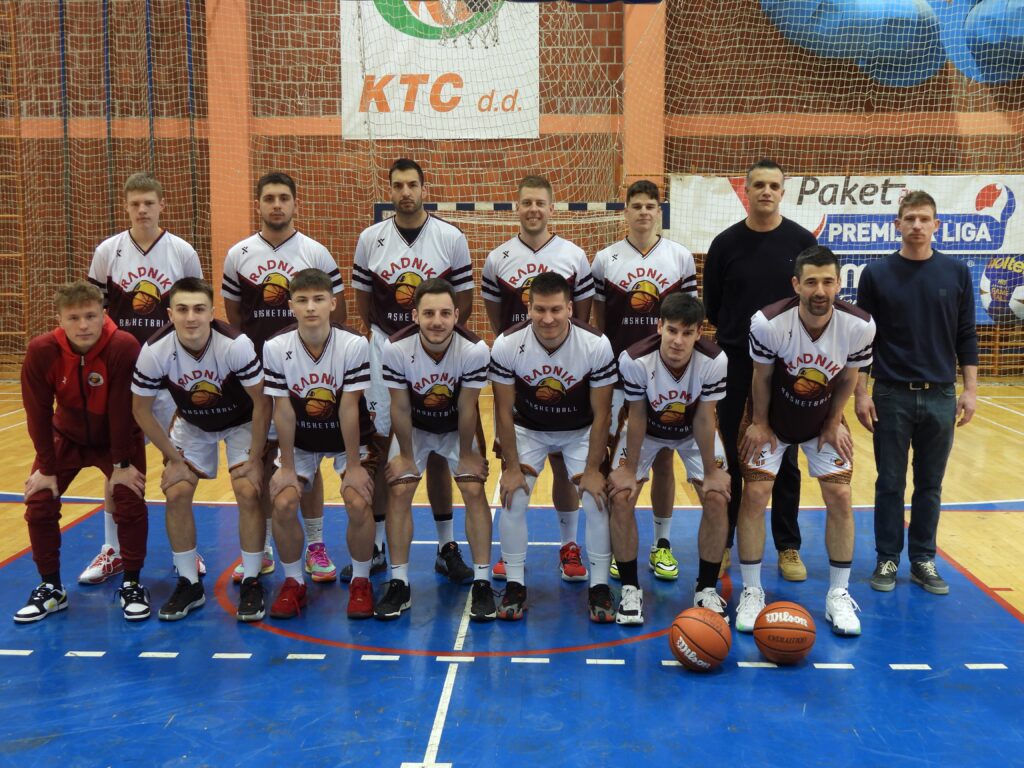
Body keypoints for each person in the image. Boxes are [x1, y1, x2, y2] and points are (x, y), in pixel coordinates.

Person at [734, 246, 875, 636]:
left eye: (828, 281)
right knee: (755, 494)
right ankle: (751, 590)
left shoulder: (860, 326)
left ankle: (838, 594)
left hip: (822, 420)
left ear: (840, 283)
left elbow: (849, 377)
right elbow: (761, 376)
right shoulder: (768, 323)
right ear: (796, 284)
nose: (820, 290)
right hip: (771, 420)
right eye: (811, 282)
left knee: (841, 496)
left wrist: (833, 423)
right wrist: (759, 423)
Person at [352, 158, 476, 583]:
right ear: (390, 190)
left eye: (412, 185)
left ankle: (446, 546)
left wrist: (435, 338)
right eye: (398, 185)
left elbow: (464, 301)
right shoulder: (370, 239)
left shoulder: (451, 237)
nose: (405, 192)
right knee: (383, 446)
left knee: (438, 446)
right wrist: (391, 342)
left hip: (437, 351)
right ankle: (379, 543)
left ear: (425, 188)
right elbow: (363, 301)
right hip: (385, 349)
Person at [222, 171, 347, 584]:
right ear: (258, 204)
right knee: (261, 461)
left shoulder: (316, 252)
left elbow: (338, 315)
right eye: (269, 198)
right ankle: (263, 549)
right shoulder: (238, 254)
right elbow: (235, 319)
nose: (276, 205)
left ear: (295, 203)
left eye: (283, 198)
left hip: (306, 377)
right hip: (256, 377)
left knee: (305, 464)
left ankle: (315, 544)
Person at [81, 172, 203, 585]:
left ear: (162, 204)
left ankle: (186, 552)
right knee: (119, 463)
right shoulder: (107, 251)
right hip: (123, 373)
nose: (142, 210)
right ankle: (112, 549)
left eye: (149, 202)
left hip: (172, 373)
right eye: (135, 204)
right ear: (126, 206)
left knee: (177, 461)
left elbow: (194, 308)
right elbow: (94, 312)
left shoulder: (182, 251)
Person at [854, 190, 978, 595]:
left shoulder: (956, 272)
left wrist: (970, 390)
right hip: (891, 394)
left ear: (936, 225)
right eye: (910, 218)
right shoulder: (876, 274)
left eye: (924, 219)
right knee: (889, 482)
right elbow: (863, 341)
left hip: (941, 396)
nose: (917, 225)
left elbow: (966, 335)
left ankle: (923, 558)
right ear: (898, 224)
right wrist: (861, 392)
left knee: (930, 484)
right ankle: (887, 558)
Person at [704, 159, 817, 581]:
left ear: (782, 193)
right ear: (746, 192)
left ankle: (788, 546)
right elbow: (714, 306)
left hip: (788, 366)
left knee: (785, 458)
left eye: (773, 186)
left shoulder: (802, 242)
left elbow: (813, 300)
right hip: (736, 363)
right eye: (759, 185)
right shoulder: (725, 244)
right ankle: (726, 543)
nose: (766, 192)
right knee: (734, 455)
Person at [132, 278, 270, 622]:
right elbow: (140, 409)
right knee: (176, 490)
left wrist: (256, 458)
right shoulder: (154, 350)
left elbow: (262, 402)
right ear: (170, 314)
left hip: (242, 421)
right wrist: (173, 459)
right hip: (192, 423)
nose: (190, 317)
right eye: (182, 309)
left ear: (211, 312)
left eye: (198, 309)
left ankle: (252, 579)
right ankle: (188, 582)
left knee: (248, 489)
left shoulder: (235, 344)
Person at [15, 281, 150, 623]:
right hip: (67, 434)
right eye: (74, 318)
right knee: (39, 501)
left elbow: (121, 409)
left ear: (104, 314)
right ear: (59, 320)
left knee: (129, 498)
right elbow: (37, 412)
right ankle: (51, 588)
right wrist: (46, 468)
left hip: (117, 436)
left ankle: (132, 583)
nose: (84, 325)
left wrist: (121, 464)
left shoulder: (123, 345)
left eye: (91, 316)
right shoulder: (41, 351)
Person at [481, 174, 594, 583]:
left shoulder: (574, 256)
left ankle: (569, 545)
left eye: (540, 203)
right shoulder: (498, 258)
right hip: (519, 372)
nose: (533, 209)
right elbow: (496, 318)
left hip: (566, 376)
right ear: (517, 207)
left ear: (551, 208)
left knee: (565, 468)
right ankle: (511, 553)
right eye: (526, 202)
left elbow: (582, 317)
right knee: (513, 465)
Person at [488, 272, 617, 622]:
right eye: (540, 309)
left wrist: (593, 470)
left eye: (556, 309)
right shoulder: (506, 344)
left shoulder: (596, 344)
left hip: (580, 430)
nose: (548, 318)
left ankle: (599, 587)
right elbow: (503, 410)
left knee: (596, 500)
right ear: (528, 308)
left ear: (570, 308)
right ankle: (515, 584)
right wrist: (511, 467)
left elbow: (603, 414)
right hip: (527, 428)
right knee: (513, 497)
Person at [592, 179, 697, 582]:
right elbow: (600, 321)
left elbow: (688, 319)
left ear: (659, 211)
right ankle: (621, 546)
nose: (643, 212)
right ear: (626, 211)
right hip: (622, 378)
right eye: (636, 206)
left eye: (650, 206)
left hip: (669, 378)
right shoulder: (605, 259)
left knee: (665, 459)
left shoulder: (680, 257)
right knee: (621, 464)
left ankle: (661, 543)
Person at [608, 294, 730, 625]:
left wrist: (711, 473)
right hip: (646, 430)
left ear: (699, 333)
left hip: (693, 431)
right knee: (621, 495)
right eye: (672, 330)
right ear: (659, 326)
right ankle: (630, 588)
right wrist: (629, 470)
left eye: (687, 333)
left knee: (717, 497)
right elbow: (636, 415)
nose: (678, 340)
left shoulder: (715, 360)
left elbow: (705, 417)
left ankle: (706, 588)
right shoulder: (634, 359)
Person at [262, 269, 377, 619]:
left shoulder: (354, 344)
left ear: (333, 303)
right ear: (291, 306)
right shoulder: (275, 346)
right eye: (302, 300)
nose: (310, 307)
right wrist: (287, 467)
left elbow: (349, 407)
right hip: (301, 439)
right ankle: (294, 581)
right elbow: (282, 410)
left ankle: (361, 581)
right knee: (283, 503)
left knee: (357, 501)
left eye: (318, 299)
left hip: (346, 438)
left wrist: (354, 466)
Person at [378, 278, 495, 621]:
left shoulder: (474, 349)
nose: (437, 321)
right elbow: (400, 407)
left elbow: (467, 406)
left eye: (445, 313)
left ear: (457, 315)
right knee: (400, 489)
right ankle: (399, 582)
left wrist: (467, 454)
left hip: (456, 426)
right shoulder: (395, 348)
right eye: (428, 313)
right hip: (414, 426)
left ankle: (483, 582)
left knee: (473, 488)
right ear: (415, 315)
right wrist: (406, 456)